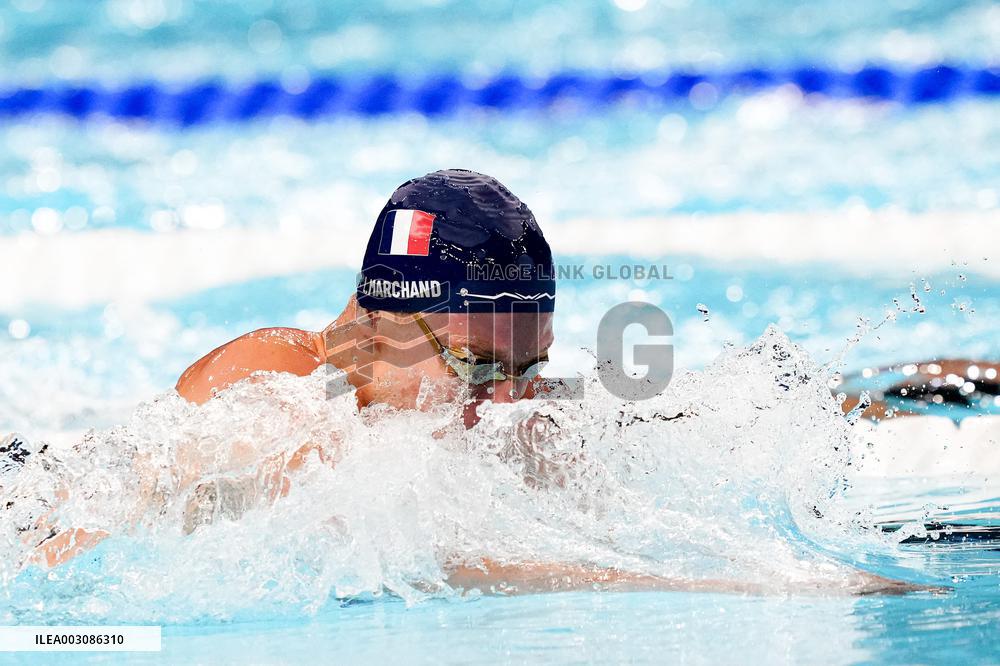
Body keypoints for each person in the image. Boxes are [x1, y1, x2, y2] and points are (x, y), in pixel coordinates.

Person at [27, 170, 933, 596]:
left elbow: (688, 427)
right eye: (479, 367)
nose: (504, 406)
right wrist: (753, 589)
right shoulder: (276, 396)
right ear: (380, 324)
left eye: (528, 370)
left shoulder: (472, 411)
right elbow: (437, 555)